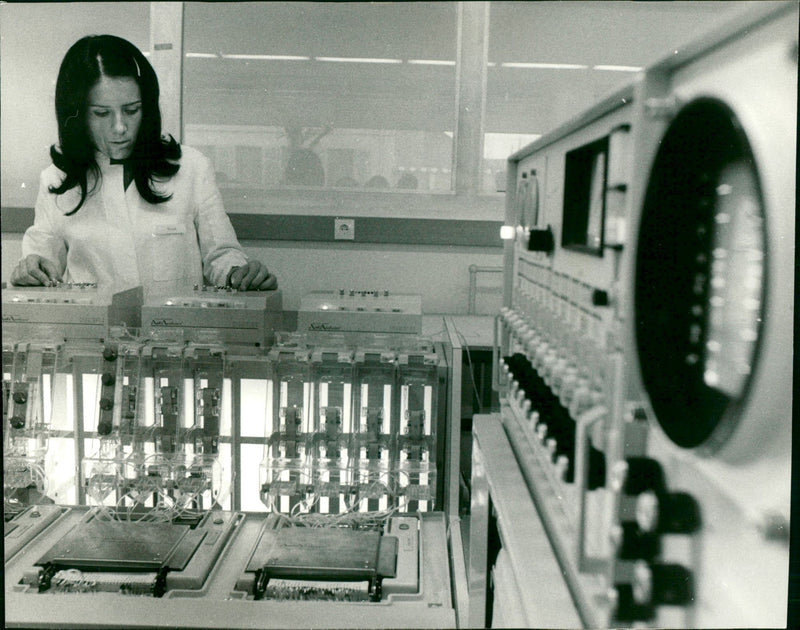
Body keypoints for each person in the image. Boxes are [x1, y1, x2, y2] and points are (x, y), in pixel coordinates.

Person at [11, 35, 277, 297]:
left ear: (146, 108)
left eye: (131, 110)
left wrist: (238, 274)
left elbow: (222, 255)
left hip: (173, 323)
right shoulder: (56, 180)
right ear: (77, 115)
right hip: (93, 326)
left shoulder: (192, 168)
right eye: (102, 113)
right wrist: (30, 269)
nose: (119, 127)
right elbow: (41, 263)